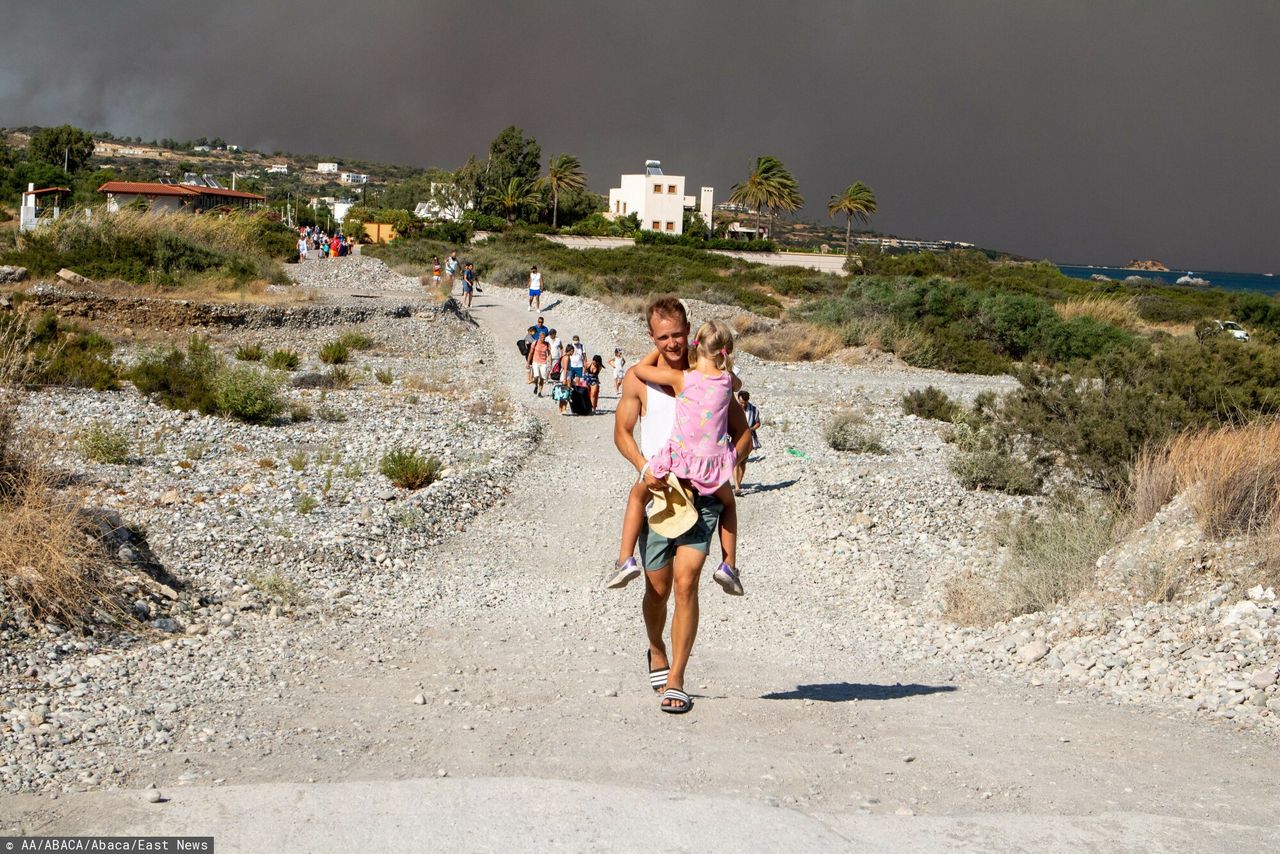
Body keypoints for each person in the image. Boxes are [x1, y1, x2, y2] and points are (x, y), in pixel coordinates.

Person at [609, 297, 753, 714]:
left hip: (703, 492)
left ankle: (677, 680)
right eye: (663, 336)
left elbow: (742, 431)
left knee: (687, 582)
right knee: (658, 589)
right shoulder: (644, 380)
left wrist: (731, 462)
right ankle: (656, 649)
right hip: (659, 491)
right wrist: (642, 467)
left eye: (678, 334)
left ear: (689, 329)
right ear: (652, 338)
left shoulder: (711, 376)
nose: (672, 343)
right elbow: (621, 431)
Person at [732, 390, 762, 496]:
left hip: (748, 439)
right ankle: (737, 486)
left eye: (744, 403)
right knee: (735, 461)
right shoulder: (733, 409)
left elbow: (758, 423)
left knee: (743, 462)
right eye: (741, 402)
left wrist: (751, 429)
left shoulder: (754, 410)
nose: (742, 404)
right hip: (735, 438)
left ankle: (738, 483)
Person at [527, 330, 550, 397]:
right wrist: (528, 363)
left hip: (543, 362)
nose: (543, 339)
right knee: (536, 376)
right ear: (539, 337)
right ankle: (536, 386)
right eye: (542, 337)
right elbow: (531, 353)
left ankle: (539, 392)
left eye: (544, 337)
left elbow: (549, 354)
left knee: (542, 378)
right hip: (536, 361)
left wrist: (550, 363)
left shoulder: (547, 344)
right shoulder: (535, 343)